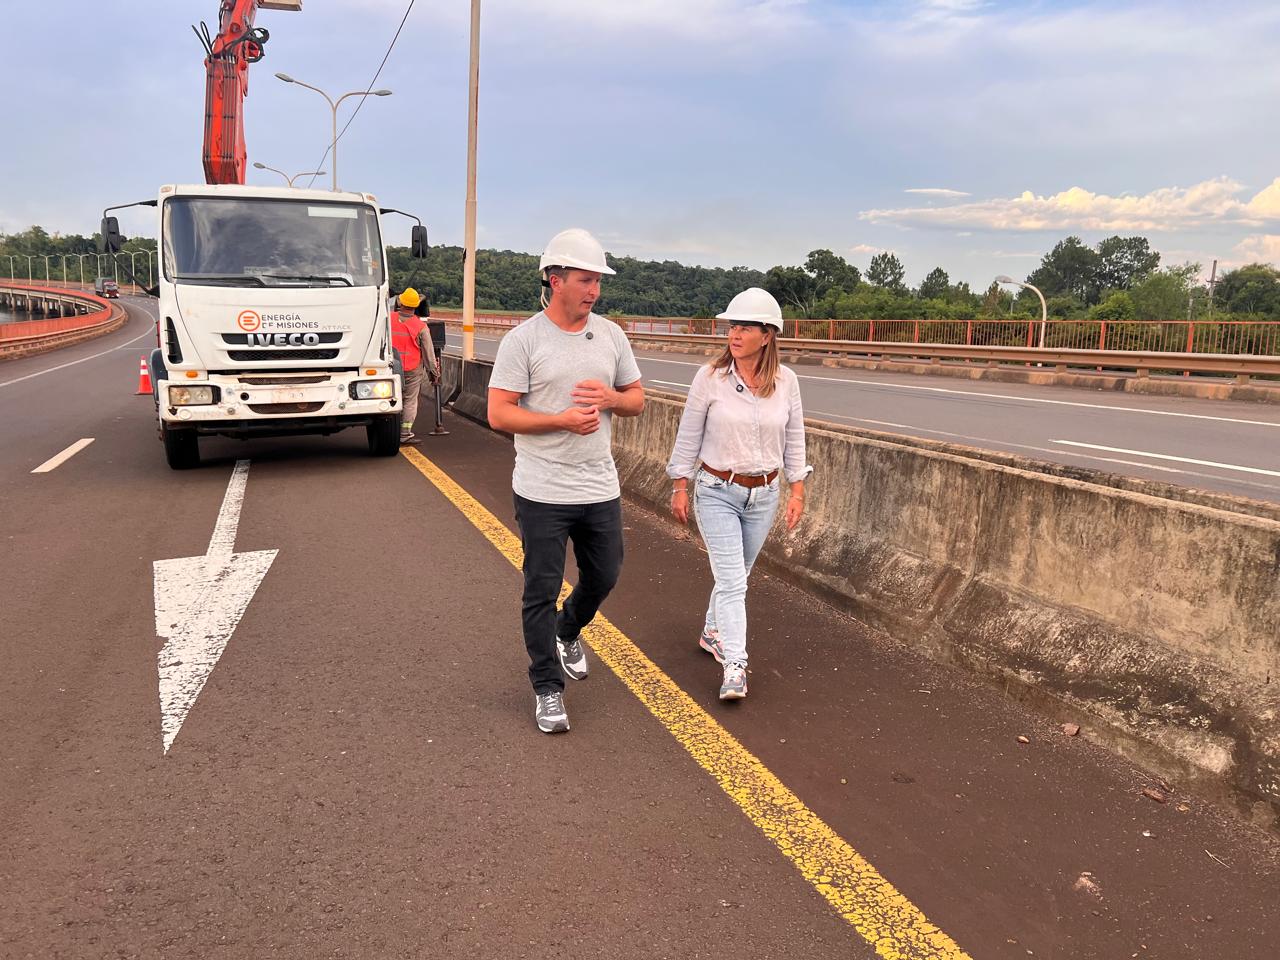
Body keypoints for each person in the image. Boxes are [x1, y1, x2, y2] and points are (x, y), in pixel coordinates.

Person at [487, 228, 645, 733]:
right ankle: (547, 688)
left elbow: (637, 399)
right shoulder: (525, 340)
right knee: (540, 586)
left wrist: (611, 400)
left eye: (598, 279)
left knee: (605, 575)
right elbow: (498, 414)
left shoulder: (612, 335)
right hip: (542, 487)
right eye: (585, 279)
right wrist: (559, 420)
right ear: (555, 280)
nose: (594, 289)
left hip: (599, 484)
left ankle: (569, 628)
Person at [666, 287, 811, 701]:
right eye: (732, 325)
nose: (735, 333)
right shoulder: (710, 378)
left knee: (737, 577)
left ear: (767, 335)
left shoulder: (786, 382)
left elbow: (795, 436)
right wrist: (680, 483)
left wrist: (796, 489)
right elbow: (688, 434)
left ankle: (714, 631)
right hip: (716, 491)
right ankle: (736, 664)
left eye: (745, 327)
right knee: (733, 583)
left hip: (763, 495)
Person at [391, 287, 437, 445]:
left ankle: (389, 430)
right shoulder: (420, 327)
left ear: (400, 302)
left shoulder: (387, 319)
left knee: (390, 398)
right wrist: (434, 374)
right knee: (410, 401)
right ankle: (405, 432)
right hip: (412, 369)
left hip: (390, 368)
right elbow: (429, 354)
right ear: (416, 305)